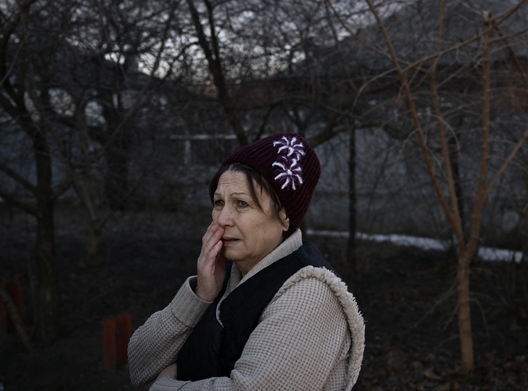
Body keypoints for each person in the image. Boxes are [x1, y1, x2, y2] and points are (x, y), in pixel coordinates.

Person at [128, 132, 365, 391]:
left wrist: (166, 386)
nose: (222, 219)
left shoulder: (308, 295)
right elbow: (139, 366)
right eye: (219, 202)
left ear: (285, 216)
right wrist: (200, 296)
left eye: (242, 203)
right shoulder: (225, 276)